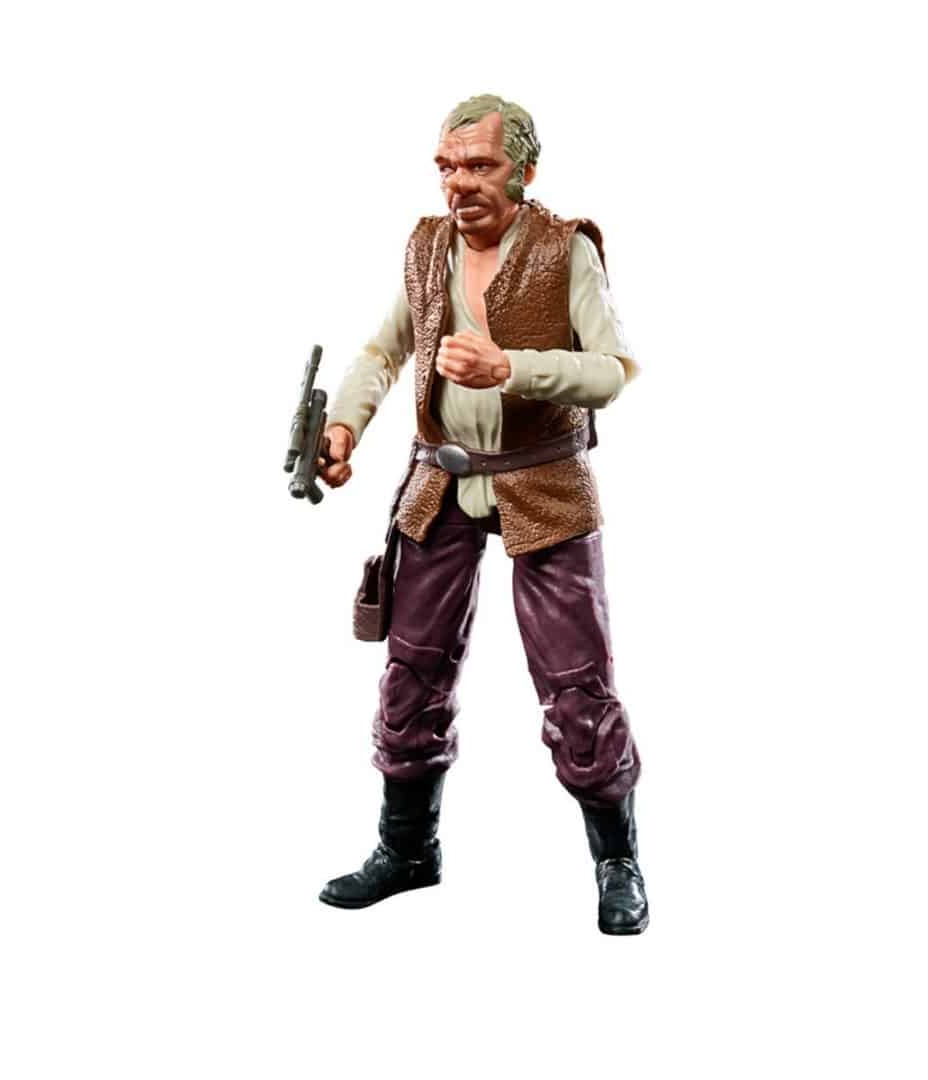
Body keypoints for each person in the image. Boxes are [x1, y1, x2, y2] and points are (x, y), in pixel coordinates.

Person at [315, 94, 647, 934]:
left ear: (524, 170)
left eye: (480, 166)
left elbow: (612, 369)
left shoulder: (564, 250)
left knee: (577, 686)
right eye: (447, 167)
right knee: (412, 669)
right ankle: (407, 849)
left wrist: (513, 369)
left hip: (545, 484)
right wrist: (346, 424)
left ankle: (618, 862)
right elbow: (385, 349)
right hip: (441, 482)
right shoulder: (427, 248)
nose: (459, 184)